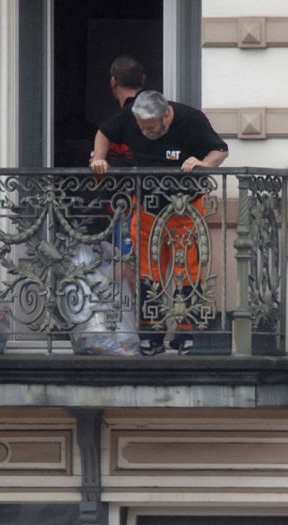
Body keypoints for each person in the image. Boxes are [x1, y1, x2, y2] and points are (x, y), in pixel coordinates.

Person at [90, 74, 229, 353]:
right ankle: (151, 334)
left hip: (185, 207)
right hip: (147, 208)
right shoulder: (130, 117)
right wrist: (100, 156)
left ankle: (186, 332)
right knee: (148, 271)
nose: (145, 132)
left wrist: (202, 163)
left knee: (186, 269)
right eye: (141, 127)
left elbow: (221, 150)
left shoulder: (191, 120)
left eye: (151, 128)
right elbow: (104, 132)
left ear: (166, 117)